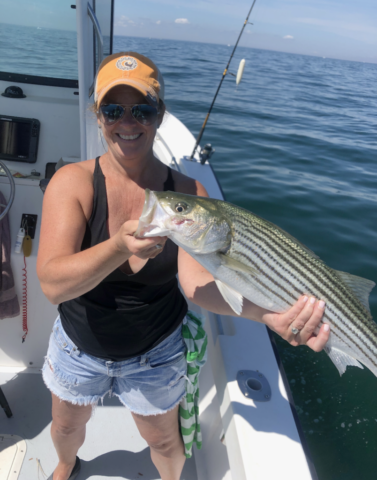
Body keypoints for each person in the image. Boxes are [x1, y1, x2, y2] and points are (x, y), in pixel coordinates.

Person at [37, 52, 330, 480]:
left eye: (143, 109)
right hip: (79, 346)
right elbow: (53, 285)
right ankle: (66, 464)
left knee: (164, 442)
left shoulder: (188, 191)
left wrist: (271, 316)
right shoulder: (74, 182)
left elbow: (196, 287)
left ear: (159, 115)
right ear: (97, 115)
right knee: (65, 425)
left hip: (155, 353)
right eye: (113, 110)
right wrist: (119, 246)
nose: (128, 122)